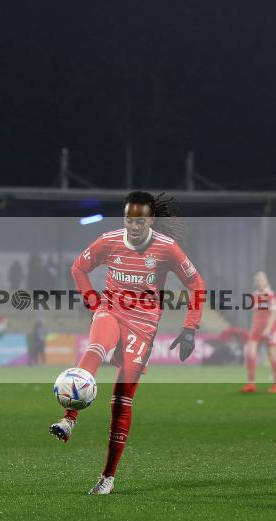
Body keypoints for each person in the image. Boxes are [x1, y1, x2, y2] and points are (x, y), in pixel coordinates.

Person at [49, 191, 206, 495]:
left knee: (121, 398)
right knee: (94, 349)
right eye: (128, 219)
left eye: (140, 220)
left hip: (144, 325)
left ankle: (108, 477)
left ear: (151, 220)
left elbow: (196, 284)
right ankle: (68, 419)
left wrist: (190, 329)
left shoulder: (167, 249)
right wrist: (94, 303)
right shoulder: (108, 241)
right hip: (111, 309)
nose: (133, 225)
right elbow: (78, 268)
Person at [240, 271, 276, 393]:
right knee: (250, 353)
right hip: (256, 329)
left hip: (270, 329)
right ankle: (251, 384)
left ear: (266, 281)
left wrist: (268, 328)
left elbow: (274, 313)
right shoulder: (254, 295)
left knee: (272, 356)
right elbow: (256, 314)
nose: (260, 282)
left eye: (262, 280)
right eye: (258, 280)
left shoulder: (271, 295)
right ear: (255, 282)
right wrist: (253, 328)